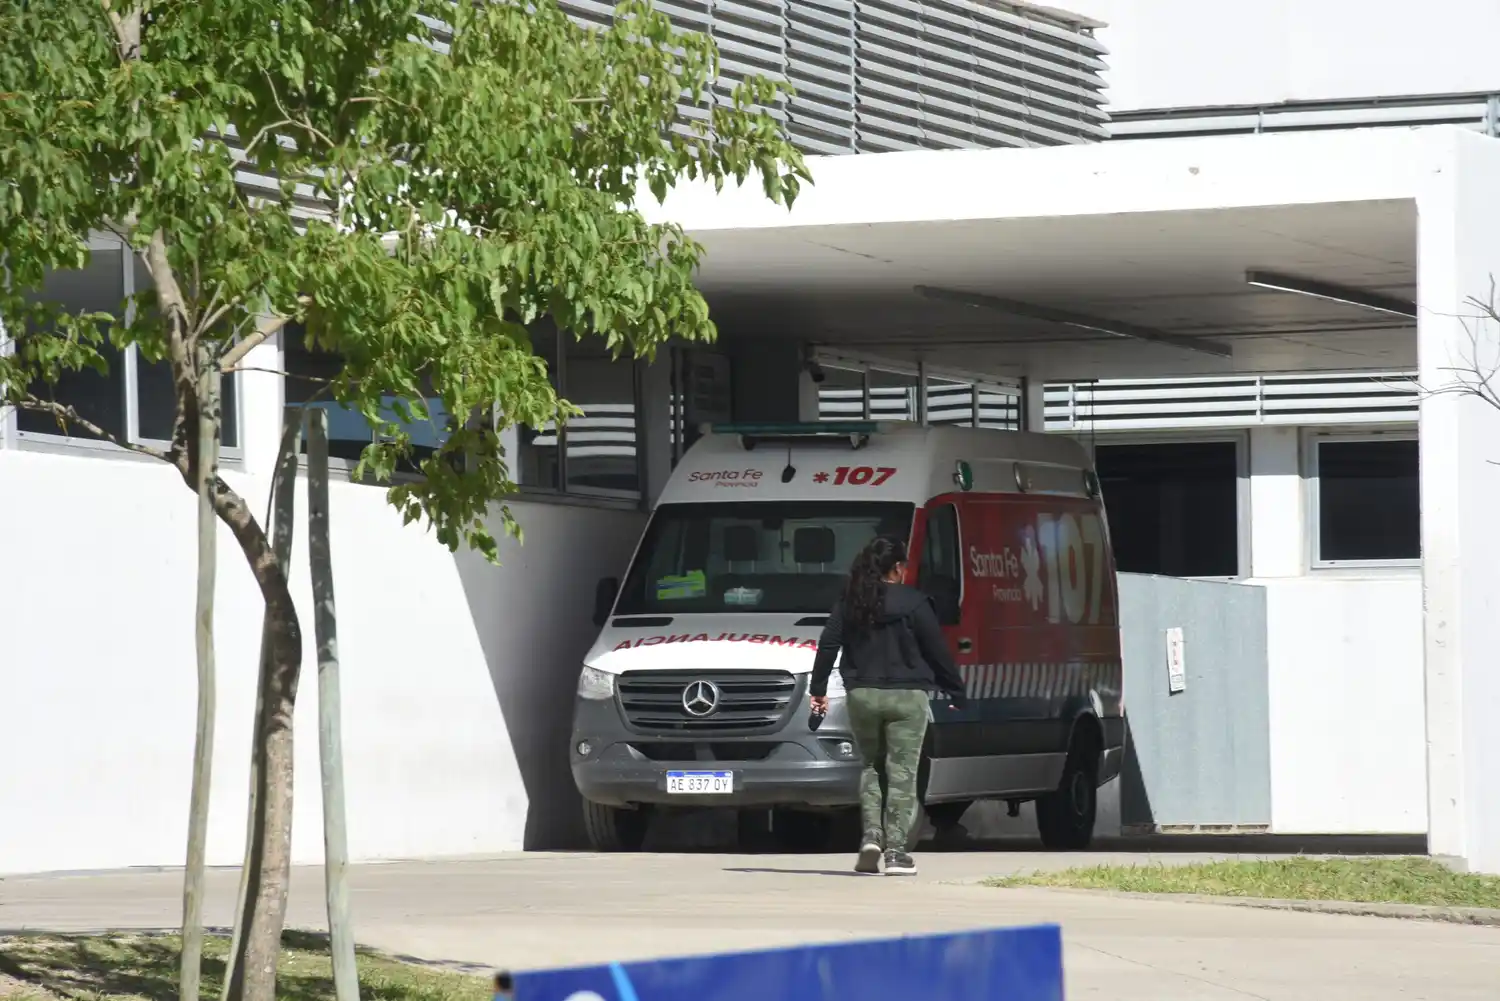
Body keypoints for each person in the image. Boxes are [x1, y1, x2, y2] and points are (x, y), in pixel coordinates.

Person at [809, 536, 967, 876]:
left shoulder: (851, 601)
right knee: (902, 774)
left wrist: (818, 689)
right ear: (897, 568)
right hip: (907, 697)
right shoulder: (915, 602)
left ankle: (870, 838)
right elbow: (937, 650)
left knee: (871, 767)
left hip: (863, 694)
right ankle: (896, 852)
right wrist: (956, 692)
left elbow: (828, 643)